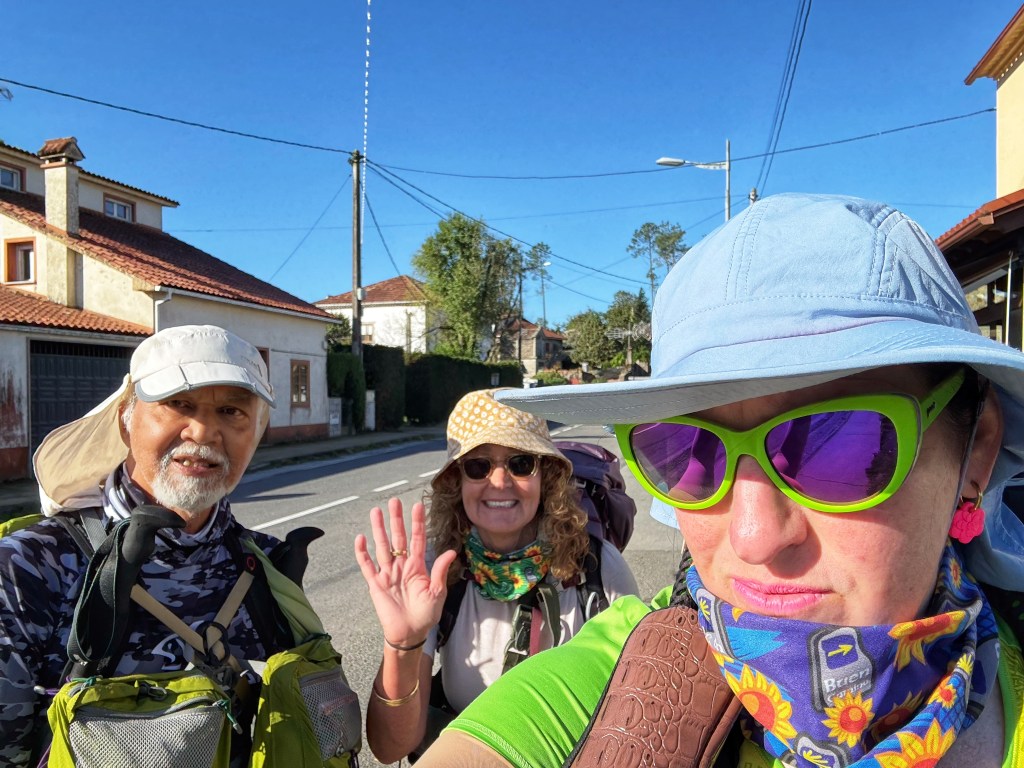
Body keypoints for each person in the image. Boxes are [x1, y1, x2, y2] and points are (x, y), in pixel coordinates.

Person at [410, 193, 1024, 767]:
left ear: (976, 450)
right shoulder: (612, 687)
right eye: (688, 450)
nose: (754, 537)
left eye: (838, 444)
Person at [0, 325, 329, 767]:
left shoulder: (268, 566)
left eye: (231, 411)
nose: (203, 431)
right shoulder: (29, 568)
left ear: (254, 432)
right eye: (179, 404)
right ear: (126, 418)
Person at [354, 388, 640, 764]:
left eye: (521, 463)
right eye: (478, 466)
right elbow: (391, 748)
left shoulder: (597, 568)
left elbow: (638, 710)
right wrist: (403, 643)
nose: (500, 482)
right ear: (457, 481)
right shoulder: (438, 576)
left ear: (546, 476)